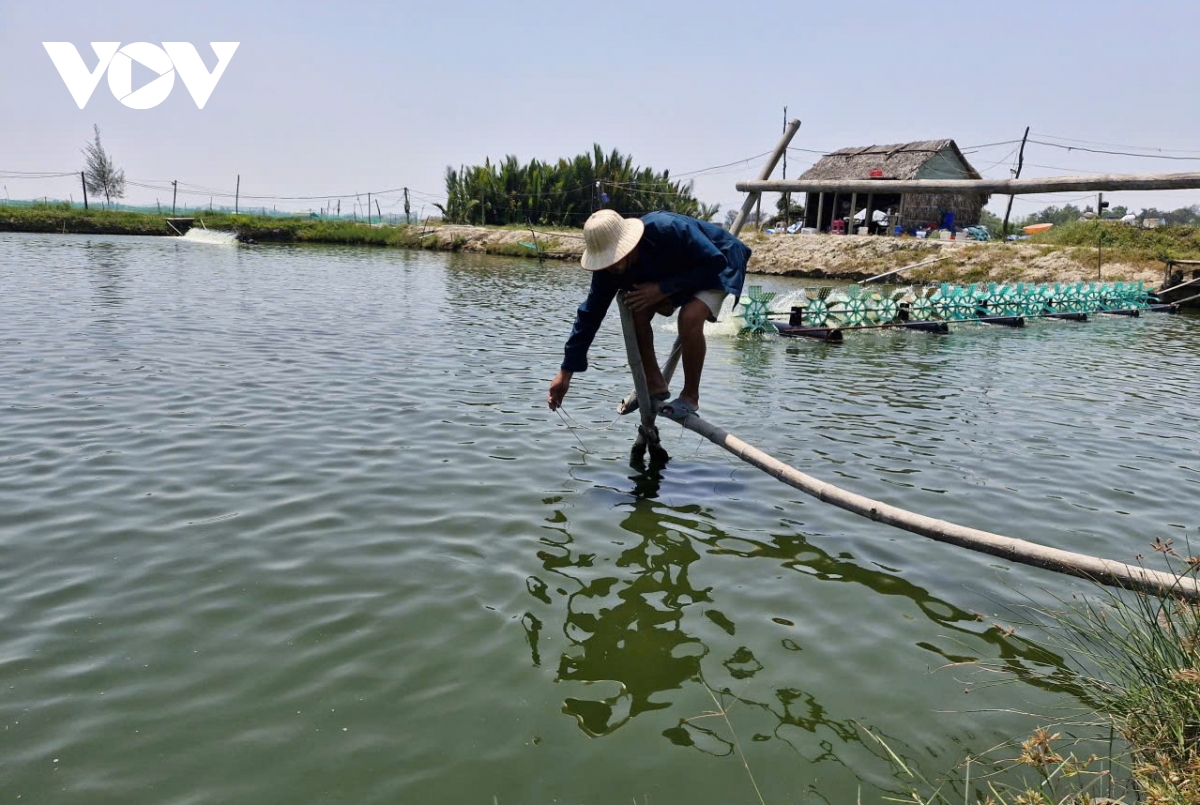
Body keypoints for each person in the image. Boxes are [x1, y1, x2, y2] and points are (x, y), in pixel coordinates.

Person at [546, 209, 751, 421]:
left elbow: (714, 261)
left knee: (689, 316)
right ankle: (654, 383)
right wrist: (565, 372)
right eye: (607, 261)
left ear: (630, 242)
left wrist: (662, 289)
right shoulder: (607, 271)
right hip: (676, 271)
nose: (614, 266)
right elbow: (589, 315)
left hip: (718, 263)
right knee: (636, 307)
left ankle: (690, 395)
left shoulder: (667, 229)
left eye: (617, 256)